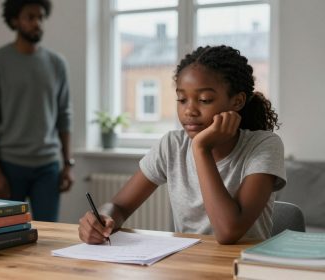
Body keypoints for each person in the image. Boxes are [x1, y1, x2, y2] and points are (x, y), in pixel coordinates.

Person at [79, 45, 286, 245]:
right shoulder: (172, 145)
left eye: (204, 100)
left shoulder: (264, 146)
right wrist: (103, 218)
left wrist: (200, 148)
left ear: (237, 101)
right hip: (188, 266)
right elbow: (119, 206)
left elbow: (228, 232)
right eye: (182, 99)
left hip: (243, 269)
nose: (189, 111)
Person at [0, 0, 73, 222]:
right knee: (7, 236)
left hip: (48, 167)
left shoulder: (57, 63)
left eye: (40, 17)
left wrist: (67, 164)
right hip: (9, 166)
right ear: (14, 20)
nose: (37, 23)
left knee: (48, 235)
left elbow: (64, 115)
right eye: (30, 17)